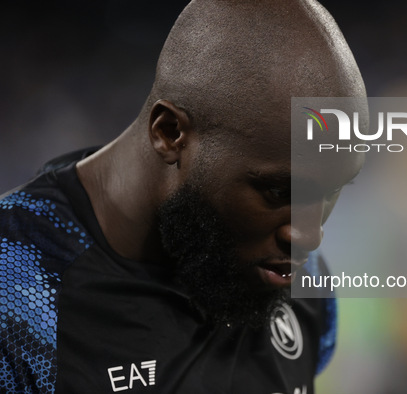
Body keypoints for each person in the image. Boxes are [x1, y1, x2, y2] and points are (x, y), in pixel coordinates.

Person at [0, 0, 365, 392]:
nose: (310, 235)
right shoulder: (16, 293)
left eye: (330, 192)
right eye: (277, 191)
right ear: (170, 133)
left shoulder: (301, 284)